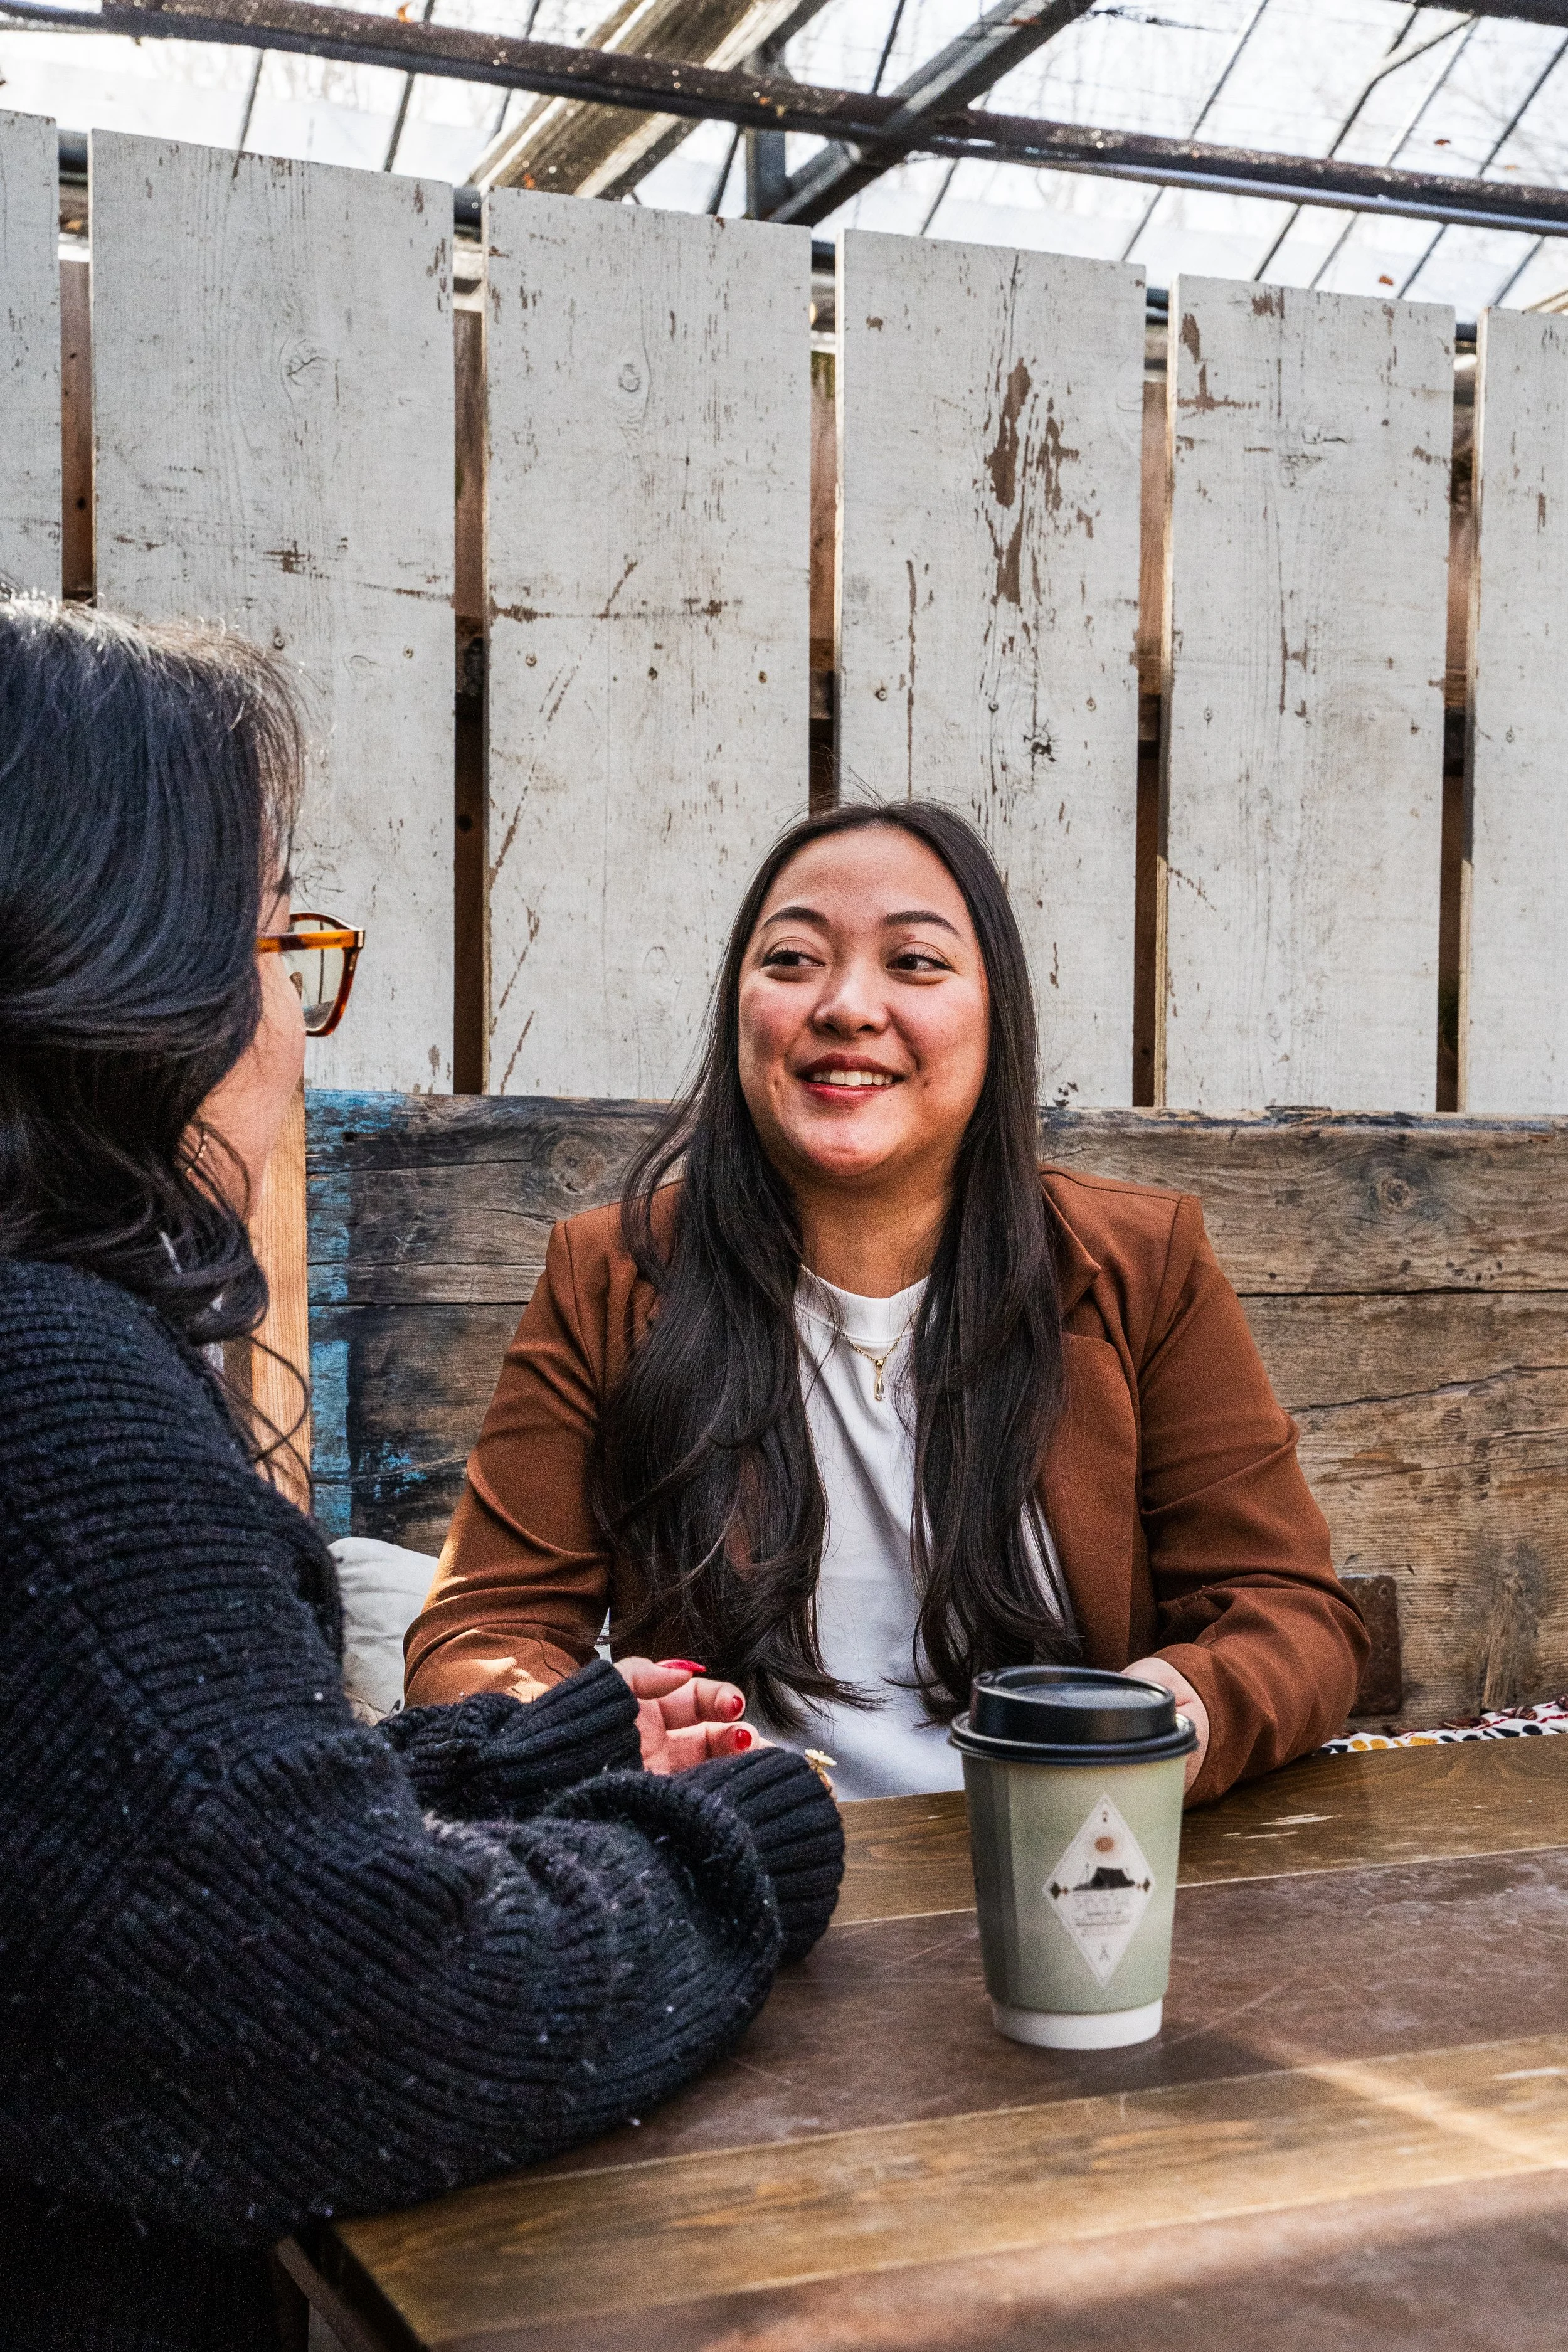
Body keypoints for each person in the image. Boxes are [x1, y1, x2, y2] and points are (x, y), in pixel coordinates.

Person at [0, 596, 843, 2352]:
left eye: (919, 963)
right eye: (261, 943)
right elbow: (360, 2001)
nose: (289, 1021)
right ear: (112, 974)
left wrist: (539, 1753)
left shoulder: (1128, 1262)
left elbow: (133, 1828)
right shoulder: (55, 1394)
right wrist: (719, 1842)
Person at [407, 801, 1369, 1804]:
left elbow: (1292, 1612)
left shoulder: (1138, 1266)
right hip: (746, 1876)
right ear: (739, 1009)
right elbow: (480, 1635)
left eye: (913, 962)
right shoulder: (609, 1275)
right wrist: (584, 1733)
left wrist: (1161, 1718)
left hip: (1061, 1871)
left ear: (996, 1017)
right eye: (792, 959)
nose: (848, 1005)